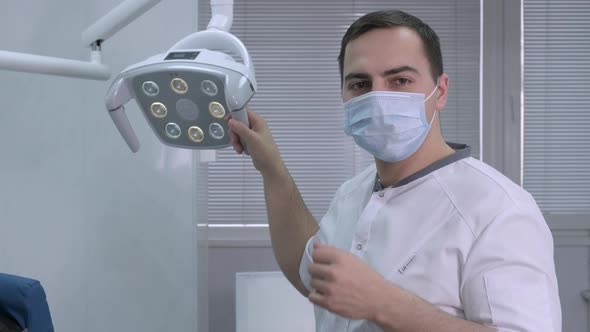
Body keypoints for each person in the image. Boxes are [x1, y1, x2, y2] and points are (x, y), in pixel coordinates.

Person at [226, 9, 561, 332]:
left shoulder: (499, 210)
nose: (378, 98)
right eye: (360, 84)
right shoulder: (353, 193)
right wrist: (270, 168)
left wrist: (384, 304)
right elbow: (309, 275)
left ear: (440, 91)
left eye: (400, 80)